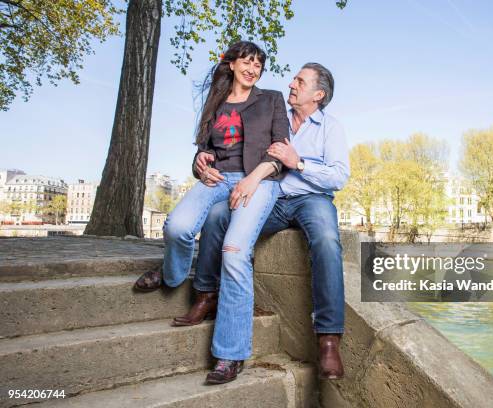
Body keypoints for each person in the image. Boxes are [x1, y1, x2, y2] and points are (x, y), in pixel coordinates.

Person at [173, 62, 350, 380]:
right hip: (269, 197)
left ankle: (328, 339)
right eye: (294, 78)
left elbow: (339, 177)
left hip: (311, 200)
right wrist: (200, 160)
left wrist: (298, 162)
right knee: (217, 216)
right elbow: (227, 146)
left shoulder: (330, 127)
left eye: (300, 80)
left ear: (318, 94)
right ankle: (205, 293)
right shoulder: (271, 111)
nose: (292, 84)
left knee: (326, 239)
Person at [132, 41, 289, 385]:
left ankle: (230, 356)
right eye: (247, 62)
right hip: (217, 179)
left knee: (234, 252)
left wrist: (252, 179)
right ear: (231, 64)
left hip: (258, 180)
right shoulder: (215, 102)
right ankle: (172, 275)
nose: (252, 68)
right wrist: (199, 164)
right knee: (177, 227)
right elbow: (203, 152)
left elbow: (280, 153)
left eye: (258, 65)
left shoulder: (272, 100)